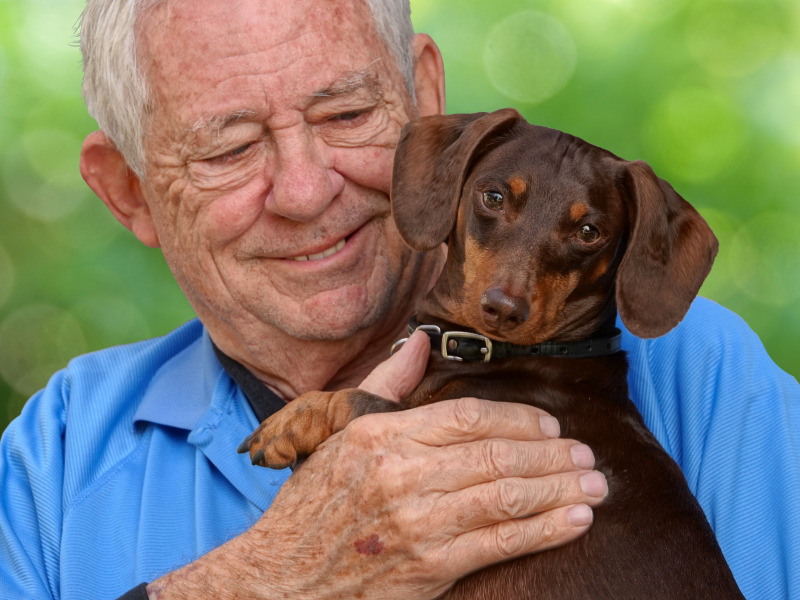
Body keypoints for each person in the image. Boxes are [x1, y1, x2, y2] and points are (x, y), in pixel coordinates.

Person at [0, 0, 797, 599]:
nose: (308, 193)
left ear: (423, 92)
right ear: (129, 192)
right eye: (230, 148)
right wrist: (258, 581)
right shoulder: (54, 468)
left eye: (346, 114)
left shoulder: (700, 382)